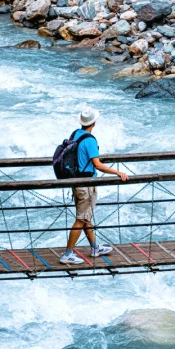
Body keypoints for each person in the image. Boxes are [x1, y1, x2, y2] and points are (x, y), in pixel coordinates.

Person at [60, 107, 128, 265]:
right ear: (94, 122)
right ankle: (67, 254)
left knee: (86, 217)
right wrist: (118, 173)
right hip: (86, 184)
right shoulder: (90, 140)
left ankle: (95, 247)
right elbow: (98, 165)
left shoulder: (75, 134)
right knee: (81, 219)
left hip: (76, 181)